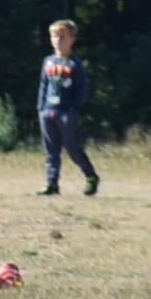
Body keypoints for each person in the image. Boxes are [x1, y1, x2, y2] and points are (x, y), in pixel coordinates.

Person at [37, 18, 101, 196]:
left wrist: (74, 110)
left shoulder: (74, 64)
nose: (57, 40)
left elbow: (82, 89)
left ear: (72, 39)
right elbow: (43, 85)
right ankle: (52, 183)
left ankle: (91, 176)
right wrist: (41, 108)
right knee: (51, 150)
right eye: (54, 36)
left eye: (62, 37)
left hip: (66, 112)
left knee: (72, 148)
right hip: (47, 110)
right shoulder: (48, 61)